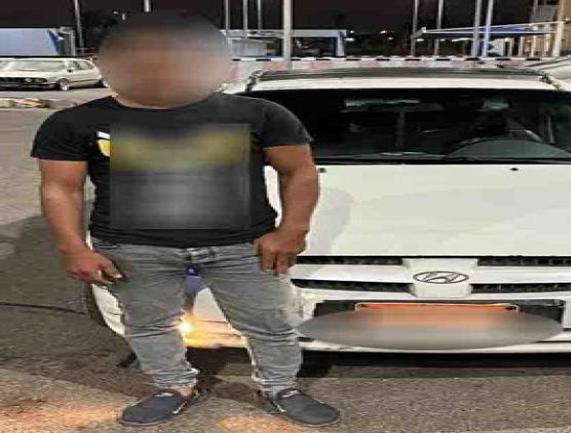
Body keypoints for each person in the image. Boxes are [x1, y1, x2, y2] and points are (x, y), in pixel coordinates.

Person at [30, 11, 340, 428]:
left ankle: (280, 387)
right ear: (105, 62)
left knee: (270, 323)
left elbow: (298, 172)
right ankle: (172, 386)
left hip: (242, 245)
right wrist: (73, 248)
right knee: (148, 324)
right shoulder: (74, 122)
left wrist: (292, 230)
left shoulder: (260, 114)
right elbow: (60, 188)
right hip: (132, 247)